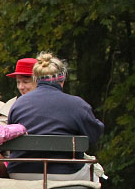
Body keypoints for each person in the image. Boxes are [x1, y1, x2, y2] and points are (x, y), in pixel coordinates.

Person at [7, 52, 104, 181]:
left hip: (20, 173)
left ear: (36, 79)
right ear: (62, 80)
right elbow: (93, 136)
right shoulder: (76, 104)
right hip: (65, 173)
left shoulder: (18, 104)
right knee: (95, 173)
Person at [1, 57, 37, 121]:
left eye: (25, 82)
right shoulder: (10, 105)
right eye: (18, 82)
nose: (20, 87)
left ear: (38, 81)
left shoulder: (51, 103)